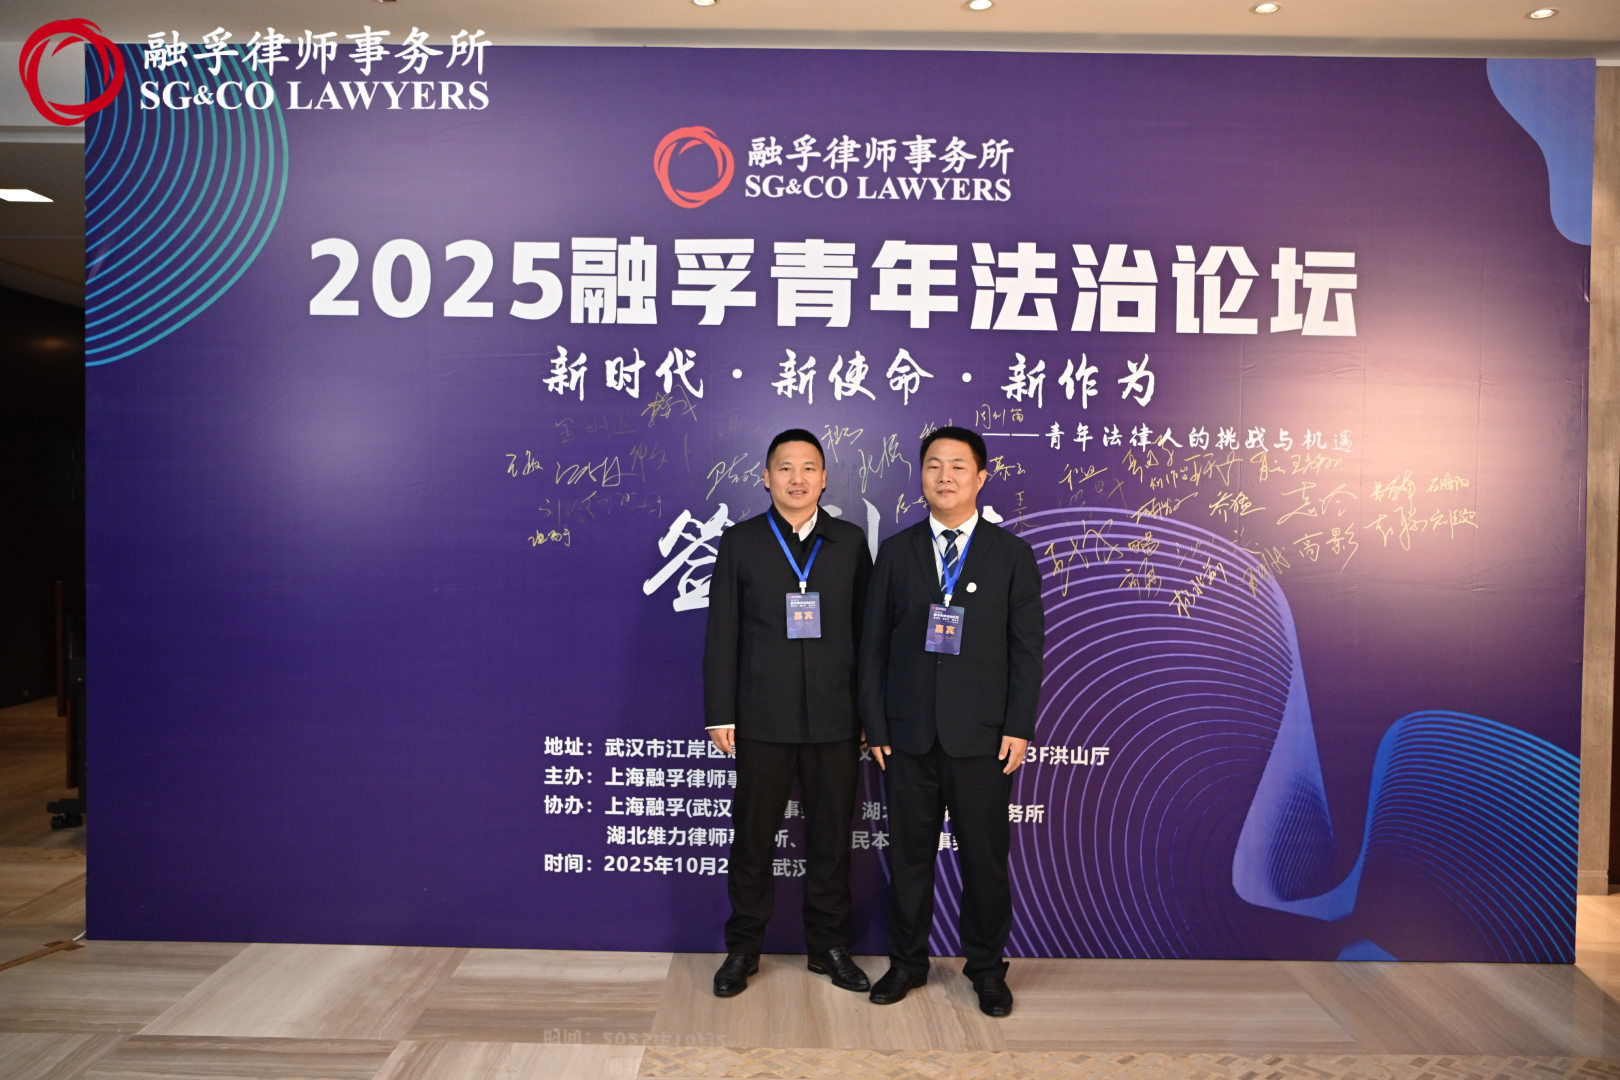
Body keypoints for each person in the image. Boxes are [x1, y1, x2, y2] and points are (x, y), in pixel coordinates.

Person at [858, 425, 1045, 1017]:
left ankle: (986, 969)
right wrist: (876, 725)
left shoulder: (1010, 556)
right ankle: (906, 963)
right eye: (934, 465)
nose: (945, 476)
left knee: (984, 863)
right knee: (909, 859)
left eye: (958, 466)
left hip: (983, 739)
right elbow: (872, 648)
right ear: (920, 477)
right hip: (907, 737)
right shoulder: (897, 552)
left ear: (980, 478)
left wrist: (1018, 726)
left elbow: (1027, 651)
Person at [702, 428, 873, 997]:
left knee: (831, 839)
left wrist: (869, 714)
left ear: (824, 478)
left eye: (808, 468)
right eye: (785, 468)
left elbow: (869, 635)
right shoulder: (742, 542)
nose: (797, 479)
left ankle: (828, 947)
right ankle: (743, 948)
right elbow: (721, 633)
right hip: (761, 718)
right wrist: (720, 712)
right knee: (753, 839)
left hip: (836, 718)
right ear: (766, 477)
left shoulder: (849, 543)